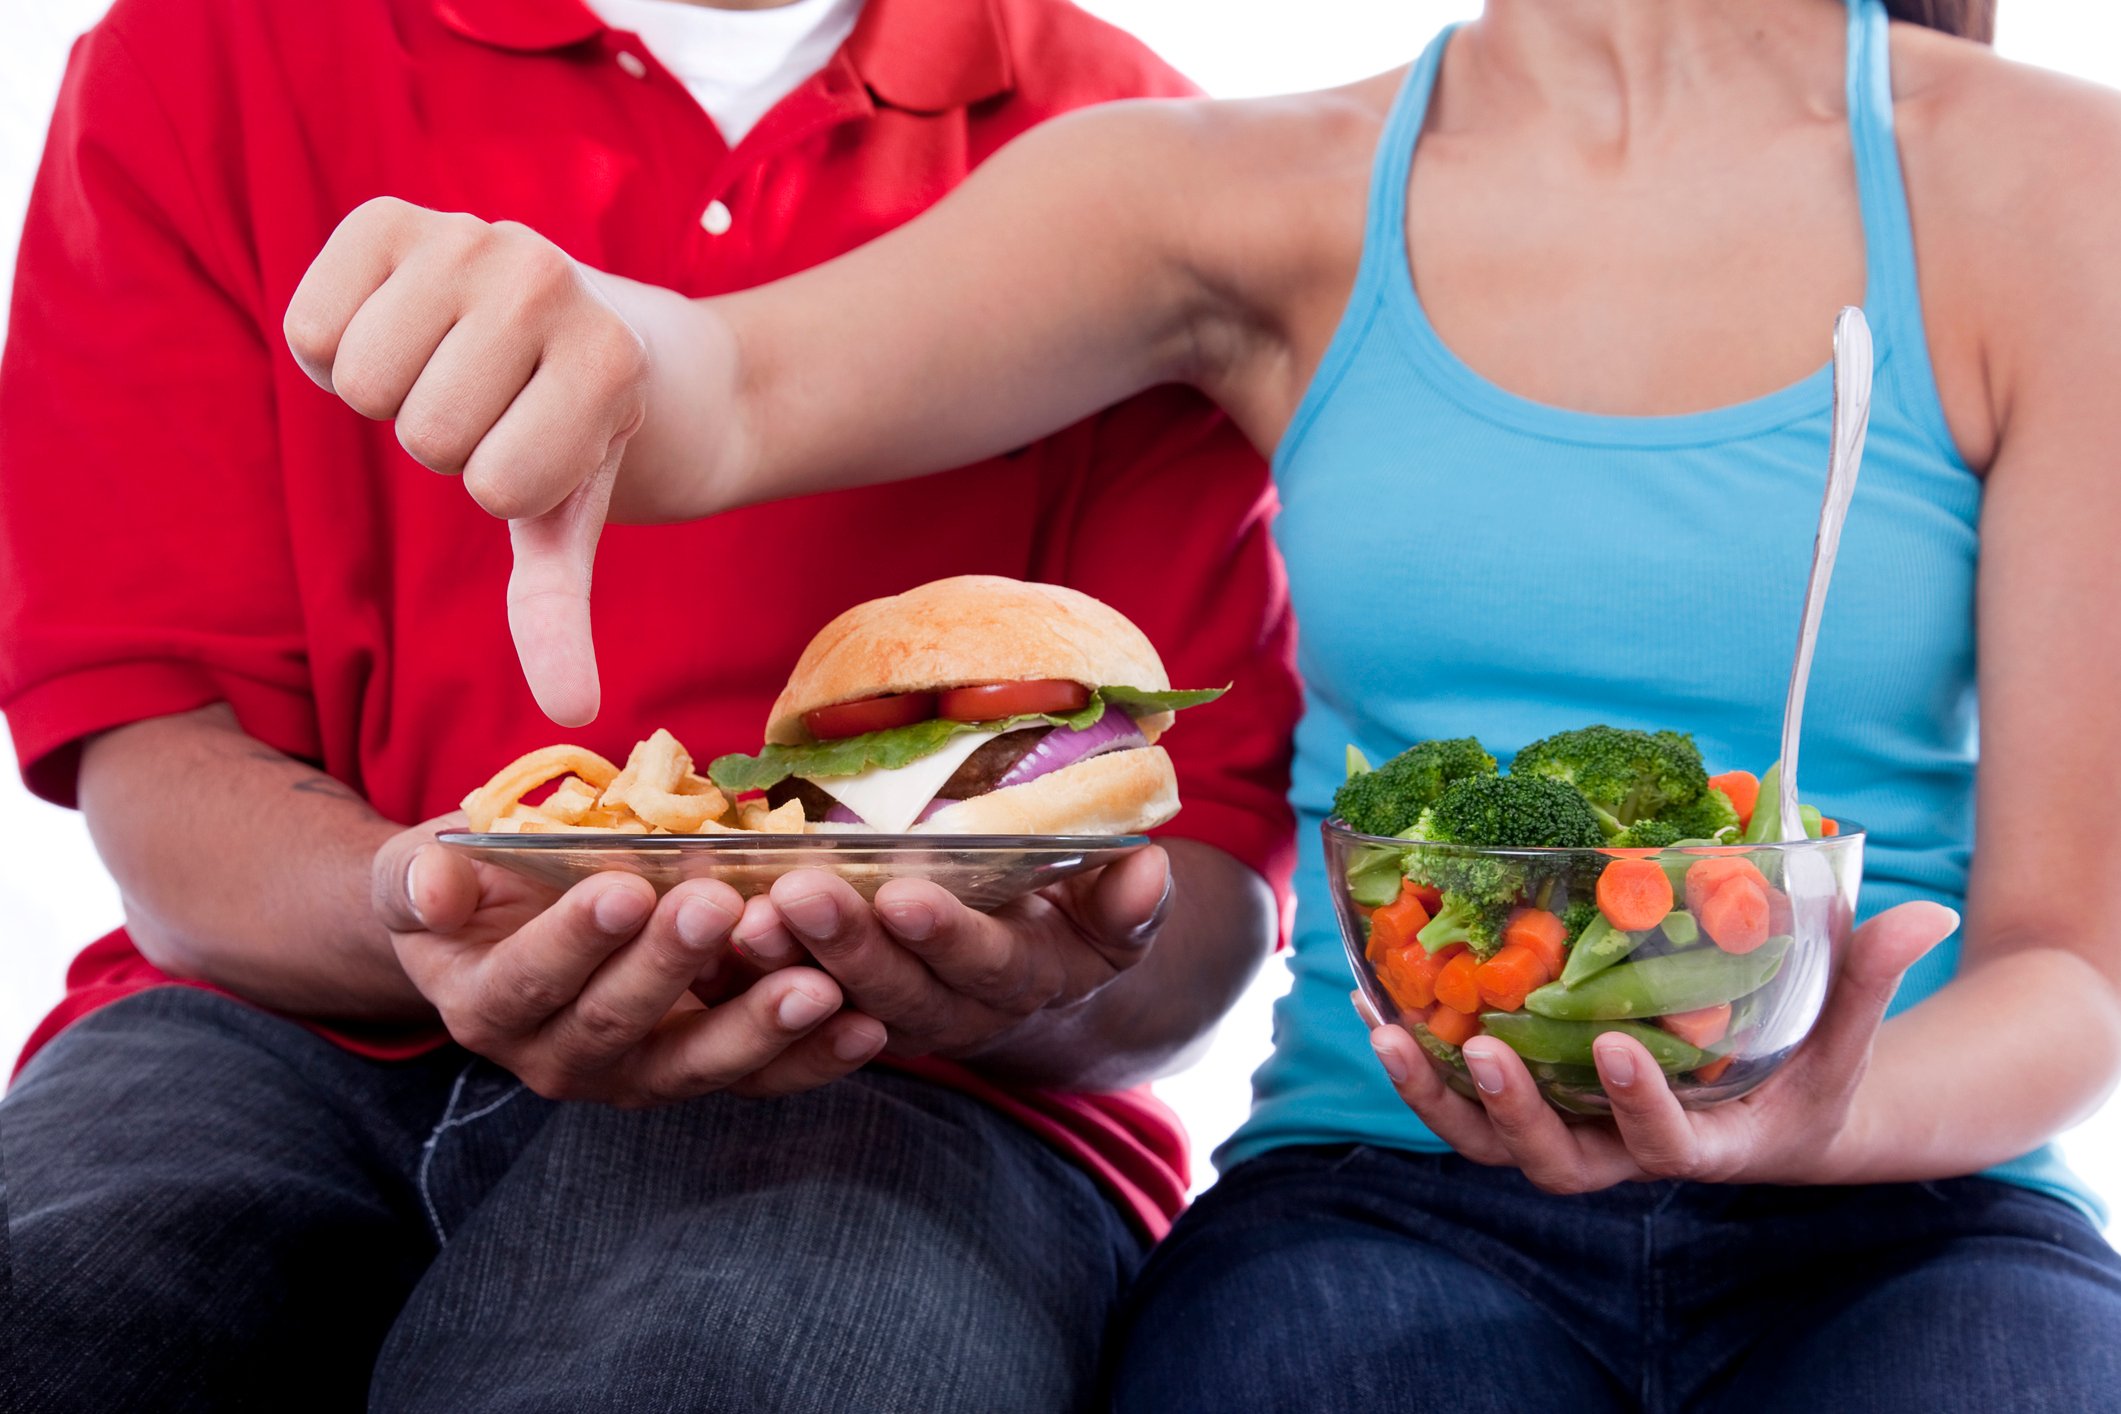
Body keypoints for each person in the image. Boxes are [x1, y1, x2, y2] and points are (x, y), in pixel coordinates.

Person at [284, 0, 2121, 1407]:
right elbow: (737, 381)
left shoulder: (2058, 191)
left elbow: (2071, 965)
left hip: (1919, 1207)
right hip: (1382, 1199)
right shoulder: (1241, 192)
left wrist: (1810, 1119)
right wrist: (576, 334)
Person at [0, 0, 1301, 1408]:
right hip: (268, 1022)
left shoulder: (1143, 154)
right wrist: (438, 895)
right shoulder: (206, 55)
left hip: (915, 1086)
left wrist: (1016, 980)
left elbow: (1205, 888)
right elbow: (158, 762)